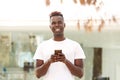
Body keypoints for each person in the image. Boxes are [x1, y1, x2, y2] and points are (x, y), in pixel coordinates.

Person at [33, 11, 86, 80]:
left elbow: (80, 74)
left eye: (59, 22)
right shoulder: (42, 46)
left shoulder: (75, 46)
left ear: (64, 25)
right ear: (50, 26)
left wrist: (65, 61)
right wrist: (49, 61)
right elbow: (38, 74)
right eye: (53, 23)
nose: (57, 25)